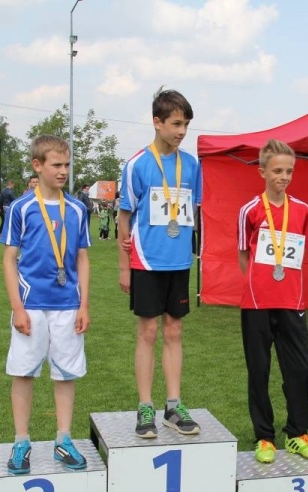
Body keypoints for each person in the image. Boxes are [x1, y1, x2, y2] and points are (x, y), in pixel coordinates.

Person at [0, 134, 91, 475]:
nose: (63, 171)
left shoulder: (78, 209)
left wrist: (84, 305)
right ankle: (21, 441)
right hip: (31, 304)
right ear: (37, 166)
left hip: (68, 304)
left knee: (66, 373)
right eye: (56, 165)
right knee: (24, 371)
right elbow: (9, 259)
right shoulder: (21, 208)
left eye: (67, 164)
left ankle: (63, 440)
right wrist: (17, 307)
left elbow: (82, 259)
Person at [118, 87, 201, 438]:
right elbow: (124, 216)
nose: (182, 131)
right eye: (176, 124)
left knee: (174, 330)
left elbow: (193, 211)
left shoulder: (191, 164)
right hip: (147, 262)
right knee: (148, 332)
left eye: (186, 125)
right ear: (157, 122)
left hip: (179, 262)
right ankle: (144, 407)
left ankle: (173, 405)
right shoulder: (137, 164)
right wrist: (124, 266)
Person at [238, 139, 308, 464]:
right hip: (256, 304)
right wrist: (259, 283)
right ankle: (265, 437)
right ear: (262, 172)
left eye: (289, 171)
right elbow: (244, 255)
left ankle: (297, 433)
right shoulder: (250, 210)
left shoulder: (303, 209)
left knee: (300, 368)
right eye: (277, 171)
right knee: (259, 371)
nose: (283, 177)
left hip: (292, 302)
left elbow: (299, 254)